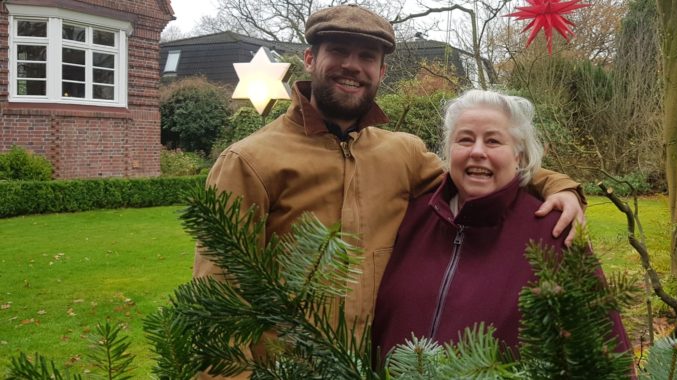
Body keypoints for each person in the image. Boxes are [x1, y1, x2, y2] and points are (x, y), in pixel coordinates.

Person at [193, 5, 586, 379]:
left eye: (367, 56)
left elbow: (475, 172)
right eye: (338, 51)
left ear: (381, 71)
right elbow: (217, 299)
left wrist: (556, 184)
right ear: (310, 60)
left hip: (378, 368)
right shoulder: (250, 162)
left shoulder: (403, 153)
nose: (352, 65)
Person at [372, 89, 631, 357]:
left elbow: (605, 354)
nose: (477, 151)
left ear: (518, 156)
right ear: (450, 150)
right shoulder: (413, 218)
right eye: (465, 139)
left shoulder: (553, 231)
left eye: (493, 141)